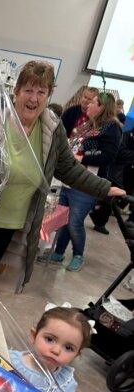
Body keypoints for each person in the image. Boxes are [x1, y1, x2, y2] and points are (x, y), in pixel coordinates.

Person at [0, 63, 124, 286]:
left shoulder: (51, 128)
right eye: (28, 90)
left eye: (41, 92)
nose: (34, 98)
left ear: (48, 95)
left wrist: (104, 187)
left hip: (9, 222)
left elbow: (68, 168)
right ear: (16, 91)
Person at [37, 92, 122, 271]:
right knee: (64, 219)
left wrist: (82, 158)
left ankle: (78, 255)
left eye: (93, 102)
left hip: (88, 182)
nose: (88, 105)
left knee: (75, 222)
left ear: (101, 108)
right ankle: (58, 252)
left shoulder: (112, 128)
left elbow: (109, 156)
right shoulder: (89, 125)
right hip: (71, 180)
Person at [89, 116, 134, 233]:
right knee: (107, 198)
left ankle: (99, 219)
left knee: (110, 199)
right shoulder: (125, 135)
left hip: (123, 174)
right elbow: (119, 153)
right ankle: (98, 221)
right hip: (116, 172)